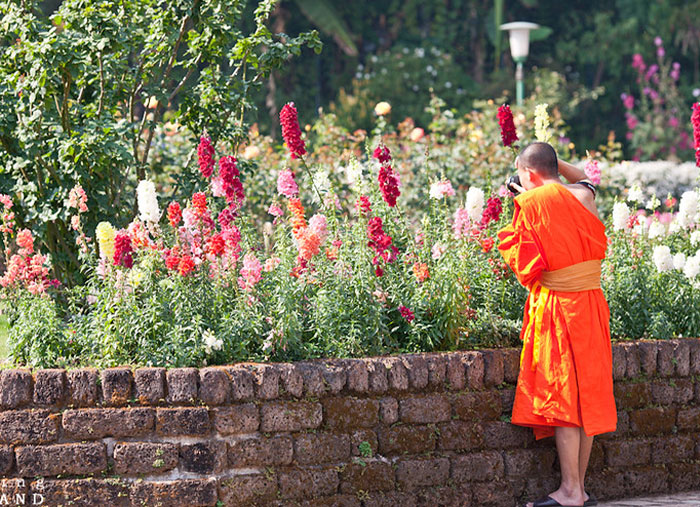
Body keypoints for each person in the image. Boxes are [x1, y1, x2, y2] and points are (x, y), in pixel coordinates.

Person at [497, 142, 617, 507]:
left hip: (560, 307)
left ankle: (570, 491)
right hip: (592, 305)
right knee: (589, 394)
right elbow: (585, 178)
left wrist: (527, 192)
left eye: (521, 173)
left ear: (528, 175)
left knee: (566, 395)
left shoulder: (531, 204)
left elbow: (525, 266)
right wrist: (547, 164)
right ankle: (578, 488)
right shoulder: (581, 195)